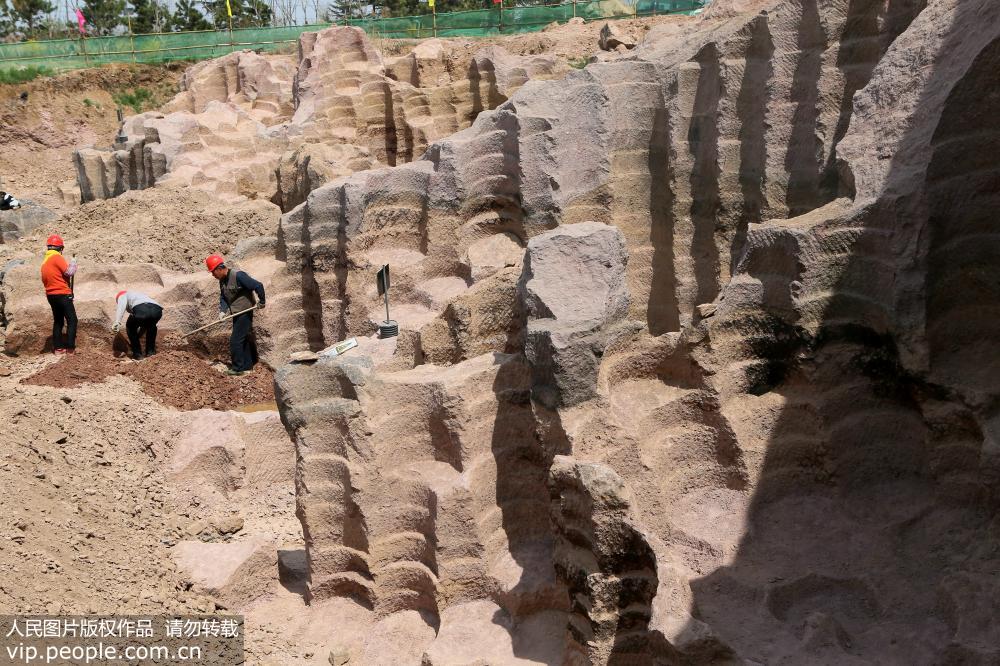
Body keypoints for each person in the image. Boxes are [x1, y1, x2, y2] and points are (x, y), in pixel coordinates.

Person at [205, 254, 265, 376]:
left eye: (213, 272)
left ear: (219, 269)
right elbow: (223, 297)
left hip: (245, 311)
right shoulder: (222, 281)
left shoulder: (239, 276)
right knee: (243, 340)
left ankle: (238, 368)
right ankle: (247, 367)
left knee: (235, 341)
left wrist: (262, 301)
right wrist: (222, 310)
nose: (213, 275)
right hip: (236, 313)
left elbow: (258, 285)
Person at [40, 234, 77, 354]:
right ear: (60, 248)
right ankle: (70, 348)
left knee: (58, 321)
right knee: (72, 320)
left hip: (51, 295)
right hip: (62, 294)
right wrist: (73, 263)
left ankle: (58, 348)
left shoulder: (45, 261)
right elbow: (69, 272)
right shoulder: (56, 257)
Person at [112, 290, 163, 360]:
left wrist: (117, 321)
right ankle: (151, 354)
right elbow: (144, 322)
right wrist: (138, 336)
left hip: (141, 310)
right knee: (151, 326)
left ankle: (137, 354)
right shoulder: (139, 295)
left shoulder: (122, 295)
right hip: (157, 311)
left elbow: (121, 306)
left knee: (130, 326)